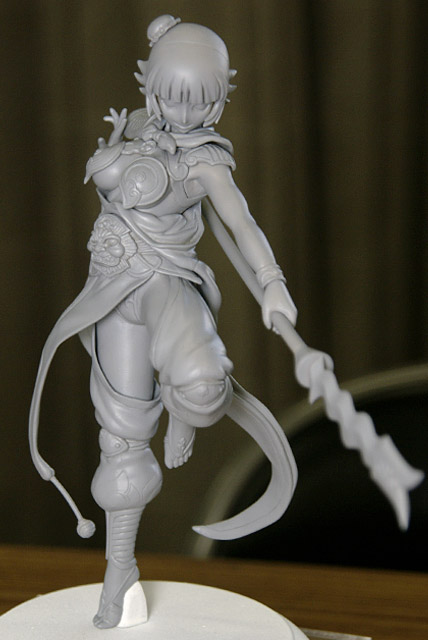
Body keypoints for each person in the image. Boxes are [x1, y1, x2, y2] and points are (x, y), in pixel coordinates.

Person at [29, 15, 298, 628]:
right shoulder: (141, 128)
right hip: (112, 293)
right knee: (121, 441)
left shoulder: (207, 162)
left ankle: (183, 406)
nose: (185, 113)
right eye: (173, 99)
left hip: (165, 283)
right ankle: (119, 568)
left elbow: (242, 223)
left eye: (200, 101)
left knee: (203, 384)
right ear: (150, 88)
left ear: (221, 99)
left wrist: (272, 282)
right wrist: (116, 148)